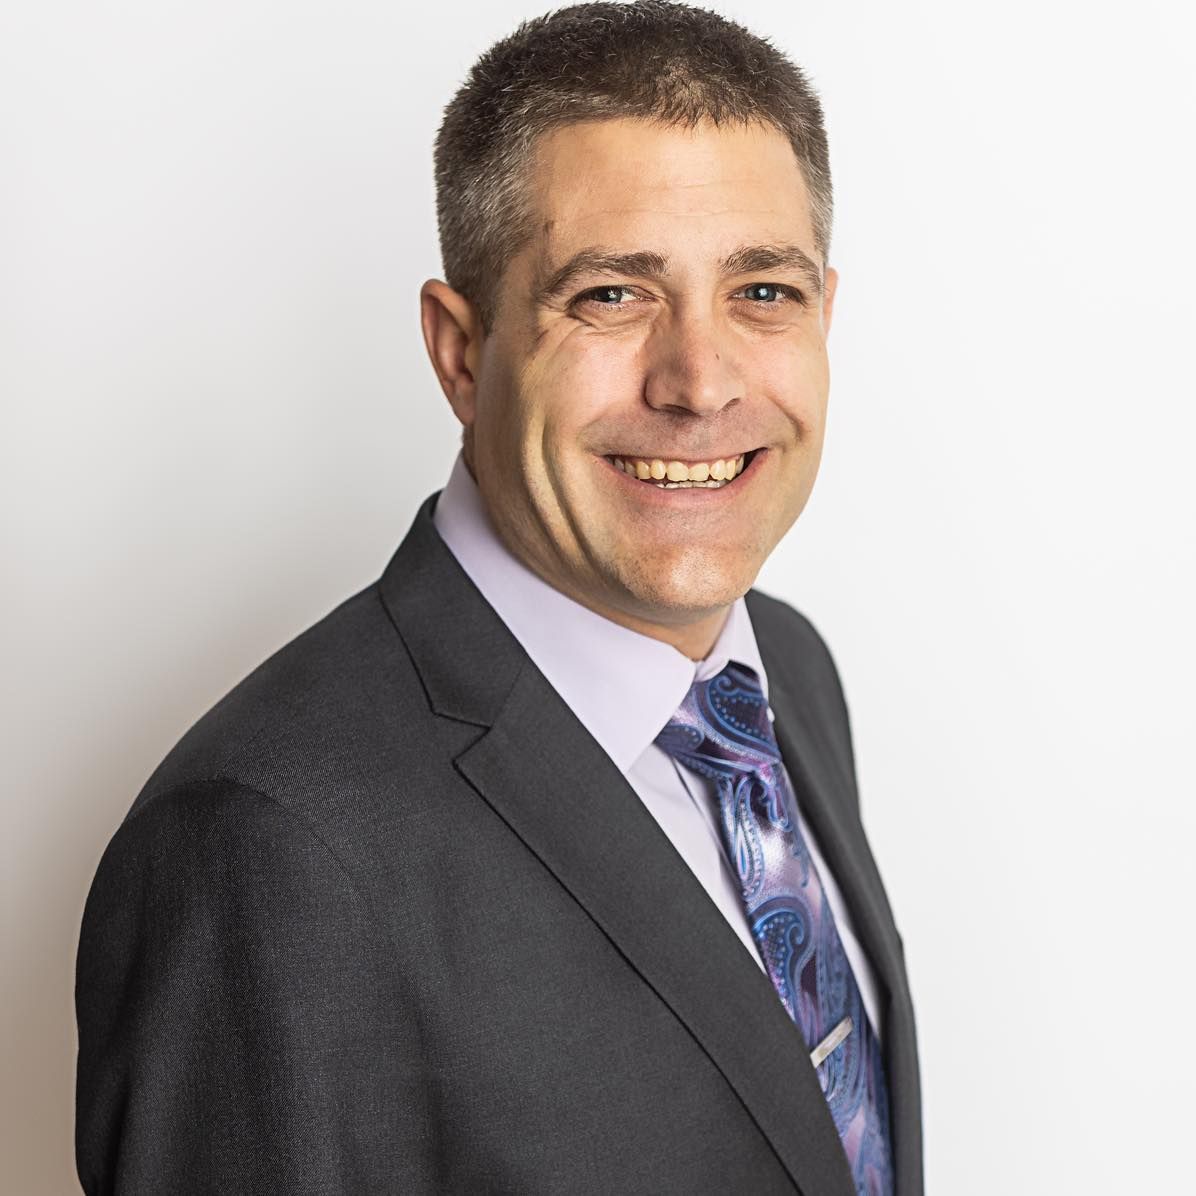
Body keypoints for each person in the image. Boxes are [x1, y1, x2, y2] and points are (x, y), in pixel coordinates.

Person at [74, 2, 922, 1193]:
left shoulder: (785, 674)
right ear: (460, 353)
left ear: (823, 314)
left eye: (761, 291)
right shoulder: (262, 847)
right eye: (612, 295)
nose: (700, 380)